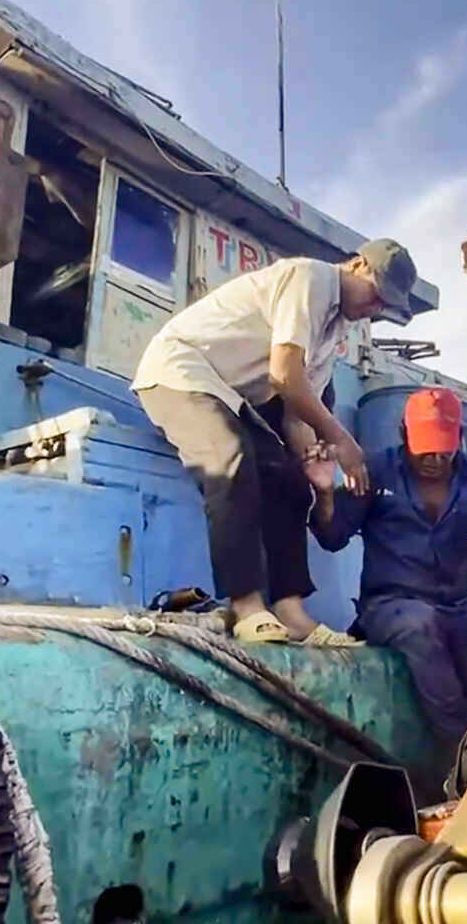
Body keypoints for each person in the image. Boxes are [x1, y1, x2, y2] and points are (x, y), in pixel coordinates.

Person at [131, 239, 417, 645]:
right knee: (228, 455)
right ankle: (247, 607)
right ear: (356, 265)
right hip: (180, 373)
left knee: (289, 480)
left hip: (231, 398)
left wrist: (313, 470)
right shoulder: (311, 278)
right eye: (376, 295)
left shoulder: (332, 332)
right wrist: (344, 441)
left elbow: (294, 414)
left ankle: (291, 611)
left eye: (382, 307)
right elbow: (285, 375)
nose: (374, 309)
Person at [309, 388, 467, 743]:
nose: (434, 458)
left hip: (462, 604)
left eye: (443, 449)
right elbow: (332, 536)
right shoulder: (375, 470)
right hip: (392, 605)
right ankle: (465, 748)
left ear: (459, 438)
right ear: (403, 433)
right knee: (421, 628)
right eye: (424, 447)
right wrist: (324, 492)